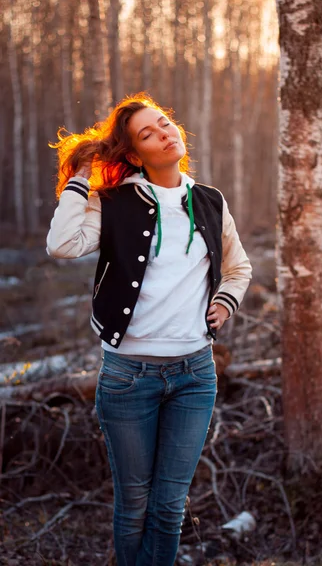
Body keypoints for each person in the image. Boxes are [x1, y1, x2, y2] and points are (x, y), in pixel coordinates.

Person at [46, 92, 252, 566]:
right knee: (135, 502)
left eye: (164, 122)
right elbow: (61, 243)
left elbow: (238, 268)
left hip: (195, 376)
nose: (164, 132)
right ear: (135, 154)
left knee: (169, 506)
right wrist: (81, 173)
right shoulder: (114, 203)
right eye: (148, 132)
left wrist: (225, 302)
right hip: (127, 377)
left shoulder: (209, 201)